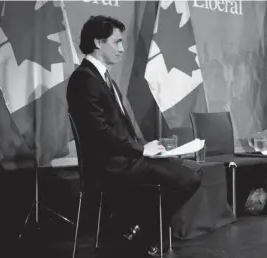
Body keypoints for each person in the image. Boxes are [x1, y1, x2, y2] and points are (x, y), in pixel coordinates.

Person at [66, 15, 202, 256]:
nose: (122, 48)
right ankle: (147, 233)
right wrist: (140, 150)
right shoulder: (84, 80)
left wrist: (143, 147)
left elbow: (114, 129)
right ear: (98, 42)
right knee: (188, 177)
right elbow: (98, 133)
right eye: (117, 42)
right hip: (110, 166)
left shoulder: (100, 77)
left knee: (187, 170)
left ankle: (139, 229)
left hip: (124, 157)